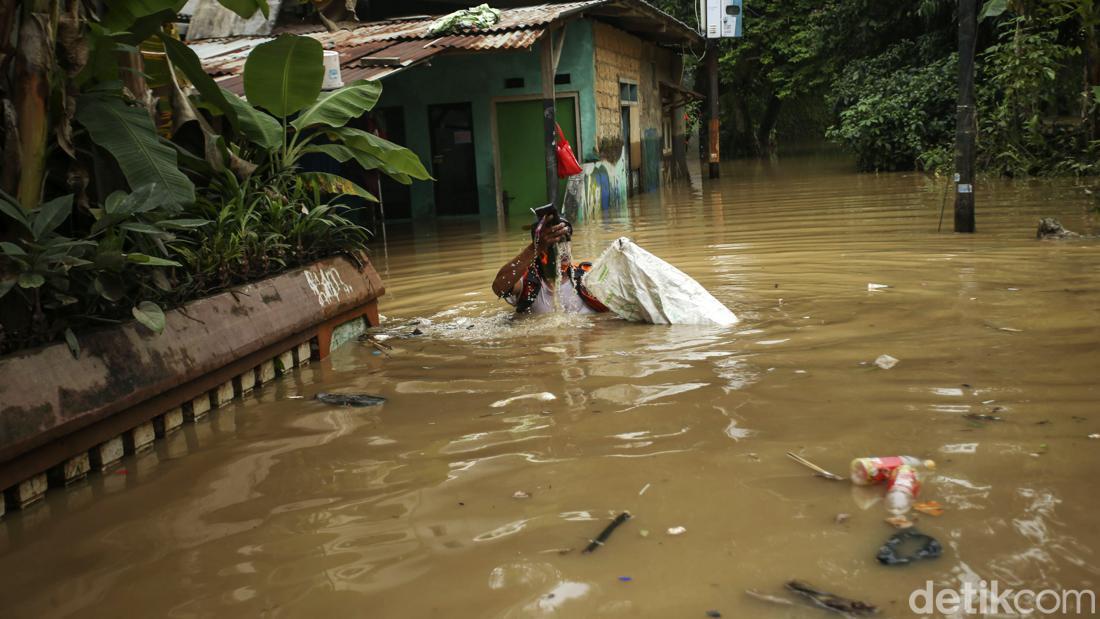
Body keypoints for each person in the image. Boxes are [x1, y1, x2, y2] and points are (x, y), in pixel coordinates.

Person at [492, 214, 608, 315]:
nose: (563, 250)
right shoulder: (528, 282)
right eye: (554, 243)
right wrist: (534, 248)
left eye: (565, 241)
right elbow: (499, 288)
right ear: (541, 249)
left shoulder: (588, 278)